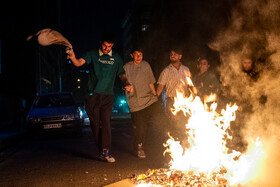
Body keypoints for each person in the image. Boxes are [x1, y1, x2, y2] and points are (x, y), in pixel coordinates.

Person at [66, 34, 128, 163]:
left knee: (105, 122)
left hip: (108, 95)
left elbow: (121, 74)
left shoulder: (116, 57)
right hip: (93, 94)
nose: (106, 48)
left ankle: (105, 151)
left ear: (112, 46)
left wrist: (126, 83)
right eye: (105, 46)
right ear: (101, 43)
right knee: (95, 125)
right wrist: (72, 56)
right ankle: (101, 149)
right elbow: (78, 63)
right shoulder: (92, 54)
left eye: (109, 46)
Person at [124, 46, 158, 159]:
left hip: (148, 99)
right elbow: (123, 80)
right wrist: (126, 86)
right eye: (136, 54)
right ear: (132, 55)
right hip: (135, 101)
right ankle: (140, 147)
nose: (139, 57)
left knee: (146, 125)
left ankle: (141, 142)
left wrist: (155, 95)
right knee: (140, 126)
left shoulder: (146, 65)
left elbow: (151, 82)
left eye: (141, 55)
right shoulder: (127, 67)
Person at [156, 48, 191, 142]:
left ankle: (185, 143)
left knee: (185, 123)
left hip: (185, 102)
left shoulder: (186, 69)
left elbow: (190, 86)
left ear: (180, 56)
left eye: (175, 54)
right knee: (173, 124)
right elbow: (160, 87)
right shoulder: (166, 71)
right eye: (171, 54)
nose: (172, 55)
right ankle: (176, 144)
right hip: (171, 101)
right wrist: (154, 100)